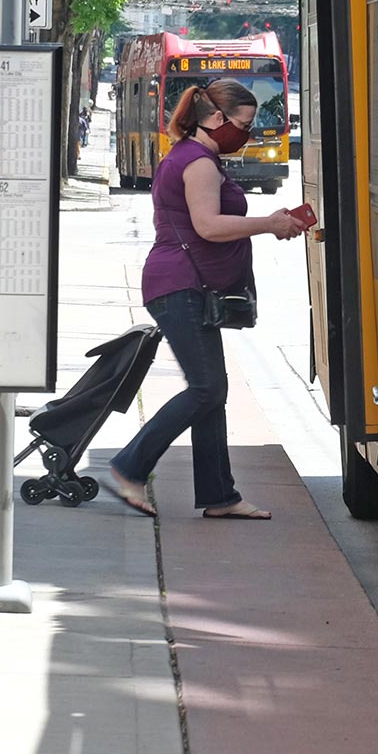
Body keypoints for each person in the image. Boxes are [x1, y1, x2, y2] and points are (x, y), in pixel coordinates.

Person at [107, 78, 306, 519]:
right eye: (243, 124)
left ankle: (220, 495)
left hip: (185, 284)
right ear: (216, 119)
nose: (246, 134)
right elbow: (209, 227)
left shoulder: (196, 157)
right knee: (207, 387)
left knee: (212, 390)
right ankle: (128, 467)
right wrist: (268, 223)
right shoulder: (197, 162)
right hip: (181, 285)